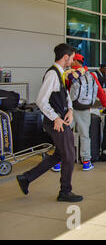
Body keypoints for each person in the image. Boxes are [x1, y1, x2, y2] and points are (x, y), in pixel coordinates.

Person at [16, 43, 83, 202]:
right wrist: (56, 118)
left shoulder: (60, 74)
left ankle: (26, 178)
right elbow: (41, 101)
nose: (73, 62)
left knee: (59, 155)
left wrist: (70, 110)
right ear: (65, 57)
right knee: (69, 156)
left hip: (61, 119)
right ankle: (65, 191)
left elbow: (65, 97)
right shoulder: (52, 75)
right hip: (56, 122)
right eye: (72, 58)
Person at [61, 53, 106, 171]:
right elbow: (100, 91)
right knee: (85, 136)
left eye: (72, 60)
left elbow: (63, 90)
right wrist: (105, 105)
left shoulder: (70, 74)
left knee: (64, 134)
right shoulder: (91, 75)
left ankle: (59, 161)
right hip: (85, 110)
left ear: (75, 61)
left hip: (69, 110)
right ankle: (86, 161)